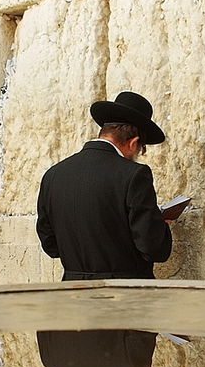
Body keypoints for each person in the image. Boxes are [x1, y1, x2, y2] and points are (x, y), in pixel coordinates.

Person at [36, 91, 172, 280]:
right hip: (126, 295)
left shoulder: (53, 175)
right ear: (134, 143)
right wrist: (161, 225)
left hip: (72, 293)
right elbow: (153, 248)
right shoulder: (134, 175)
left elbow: (50, 245)